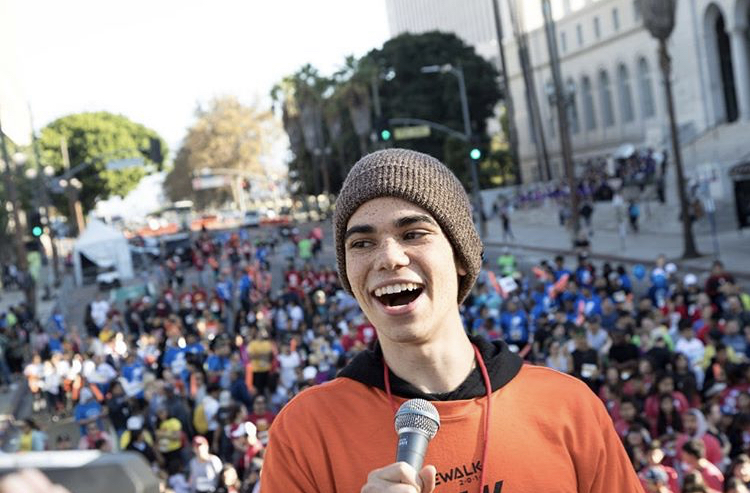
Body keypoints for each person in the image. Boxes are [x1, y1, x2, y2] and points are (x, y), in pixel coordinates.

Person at [260, 149, 642, 492]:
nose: (389, 257)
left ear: (460, 255)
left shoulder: (568, 407)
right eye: (362, 243)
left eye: (413, 233)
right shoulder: (306, 431)